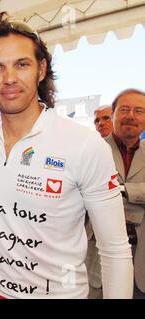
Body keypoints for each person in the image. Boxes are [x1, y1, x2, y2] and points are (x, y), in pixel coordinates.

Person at [0, 12, 133, 298]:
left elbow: (115, 249)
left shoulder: (84, 144)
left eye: (21, 64)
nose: (9, 78)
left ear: (41, 69)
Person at [104, 89, 145, 298]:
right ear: (113, 114)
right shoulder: (93, 149)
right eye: (124, 109)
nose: (131, 115)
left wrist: (123, 190)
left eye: (139, 111)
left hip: (141, 258)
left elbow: (104, 189)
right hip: (98, 255)